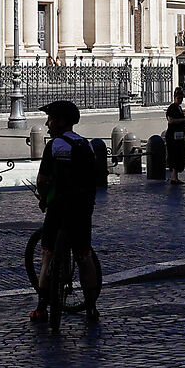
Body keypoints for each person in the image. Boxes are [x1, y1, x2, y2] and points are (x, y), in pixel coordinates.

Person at [31, 100, 104, 326]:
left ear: (61, 121)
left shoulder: (54, 146)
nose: (47, 123)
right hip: (81, 210)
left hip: (58, 208)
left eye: (51, 119)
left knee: (47, 256)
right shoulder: (86, 145)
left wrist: (43, 198)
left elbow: (43, 180)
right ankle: (91, 307)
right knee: (84, 255)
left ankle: (42, 307)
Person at [163, 85, 185, 184]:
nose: (180, 100)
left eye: (181, 98)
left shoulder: (179, 107)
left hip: (179, 135)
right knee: (174, 155)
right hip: (173, 136)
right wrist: (184, 120)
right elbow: (171, 121)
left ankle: (175, 176)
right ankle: (174, 177)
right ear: (175, 97)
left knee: (179, 155)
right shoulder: (172, 108)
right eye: (179, 98)